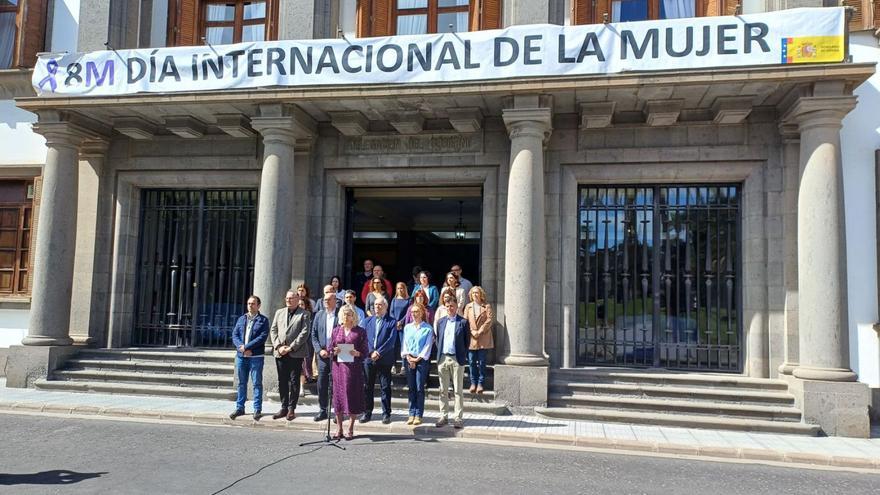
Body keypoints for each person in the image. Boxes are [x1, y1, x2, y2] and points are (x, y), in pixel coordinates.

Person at [269, 290, 312, 420]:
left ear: (297, 299)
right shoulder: (279, 312)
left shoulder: (304, 314)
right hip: (280, 352)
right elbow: (273, 330)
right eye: (287, 298)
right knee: (282, 380)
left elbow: (304, 333)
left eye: (291, 298)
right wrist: (278, 346)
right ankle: (283, 407)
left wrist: (291, 347)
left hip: (295, 353)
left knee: (294, 381)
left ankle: (291, 408)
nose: (288, 300)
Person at [329, 305, 369, 440]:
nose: (346, 317)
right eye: (344, 314)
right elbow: (330, 349)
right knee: (338, 398)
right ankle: (339, 428)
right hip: (338, 369)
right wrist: (334, 351)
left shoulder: (360, 332)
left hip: (353, 370)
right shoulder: (336, 331)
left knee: (352, 398)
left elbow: (365, 352)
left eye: (349, 314)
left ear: (354, 317)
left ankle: (350, 428)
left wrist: (357, 353)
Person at [229, 295, 270, 421]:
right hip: (241, 356)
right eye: (248, 303)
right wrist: (241, 348)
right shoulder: (242, 319)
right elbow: (235, 334)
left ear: (258, 306)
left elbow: (262, 337)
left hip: (255, 356)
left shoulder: (263, 320)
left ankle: (257, 409)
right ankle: (240, 407)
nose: (250, 306)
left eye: (253, 303)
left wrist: (247, 347)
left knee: (257, 383)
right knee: (241, 383)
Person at [359, 296, 397, 424]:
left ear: (386, 307)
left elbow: (391, 341)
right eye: (375, 305)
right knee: (367, 386)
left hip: (384, 359)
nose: (377, 307)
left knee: (385, 387)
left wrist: (379, 352)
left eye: (380, 305)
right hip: (368, 359)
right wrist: (371, 352)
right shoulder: (367, 321)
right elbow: (363, 339)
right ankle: (367, 412)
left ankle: (386, 413)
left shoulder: (391, 322)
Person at [435, 298, 469, 429]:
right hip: (443, 358)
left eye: (452, 306)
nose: (450, 308)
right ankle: (443, 416)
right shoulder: (441, 322)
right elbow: (438, 339)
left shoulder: (463, 322)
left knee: (458, 390)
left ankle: (458, 418)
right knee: (443, 390)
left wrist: (461, 355)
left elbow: (467, 342)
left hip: (457, 359)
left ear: (457, 307)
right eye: (448, 306)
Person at [401, 303, 434, 426]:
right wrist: (409, 357)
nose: (414, 314)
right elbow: (404, 344)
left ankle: (419, 414)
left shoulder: (428, 328)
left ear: (422, 313)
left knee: (419, 388)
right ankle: (411, 413)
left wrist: (417, 359)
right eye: (412, 312)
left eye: (416, 312)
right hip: (409, 359)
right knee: (411, 388)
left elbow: (427, 346)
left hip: (421, 361)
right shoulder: (407, 327)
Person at [310, 291, 338, 422]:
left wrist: (335, 350)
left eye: (329, 299)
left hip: (337, 356)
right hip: (322, 355)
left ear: (335, 301)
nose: (326, 302)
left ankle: (338, 411)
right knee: (322, 383)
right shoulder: (319, 315)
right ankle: (322, 410)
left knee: (337, 384)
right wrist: (319, 350)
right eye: (324, 300)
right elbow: (313, 335)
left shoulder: (340, 315)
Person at [464, 286, 495, 394]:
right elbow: (465, 321)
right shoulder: (468, 306)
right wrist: (472, 331)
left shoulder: (486, 306)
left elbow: (490, 320)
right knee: (471, 361)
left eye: (477, 293)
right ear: (471, 295)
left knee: (482, 362)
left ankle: (481, 383)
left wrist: (480, 331)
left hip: (483, 337)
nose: (475, 295)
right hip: (472, 337)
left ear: (481, 294)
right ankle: (473, 382)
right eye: (473, 293)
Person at [389, 282, 410, 376]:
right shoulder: (394, 300)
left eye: (401, 288)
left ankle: (403, 366)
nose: (400, 290)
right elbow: (391, 312)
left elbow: (408, 313)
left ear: (404, 289)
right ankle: (393, 366)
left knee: (403, 346)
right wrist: (395, 322)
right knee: (393, 346)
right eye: (398, 288)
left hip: (404, 326)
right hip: (394, 326)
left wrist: (401, 322)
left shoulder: (409, 300)